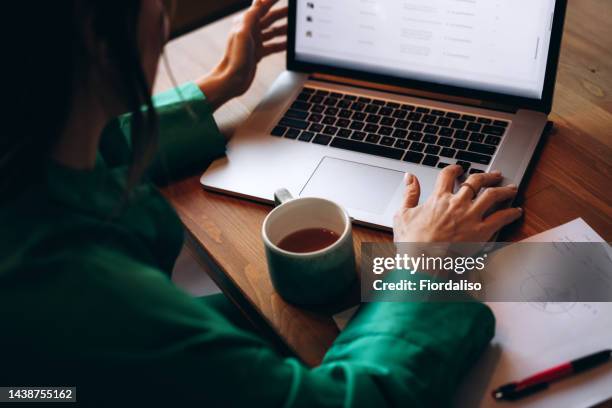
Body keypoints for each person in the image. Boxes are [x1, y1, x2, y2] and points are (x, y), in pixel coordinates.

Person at [0, 0, 523, 405]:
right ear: (96, 35)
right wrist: (425, 264)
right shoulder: (96, 302)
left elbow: (93, 143)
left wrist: (216, 88)